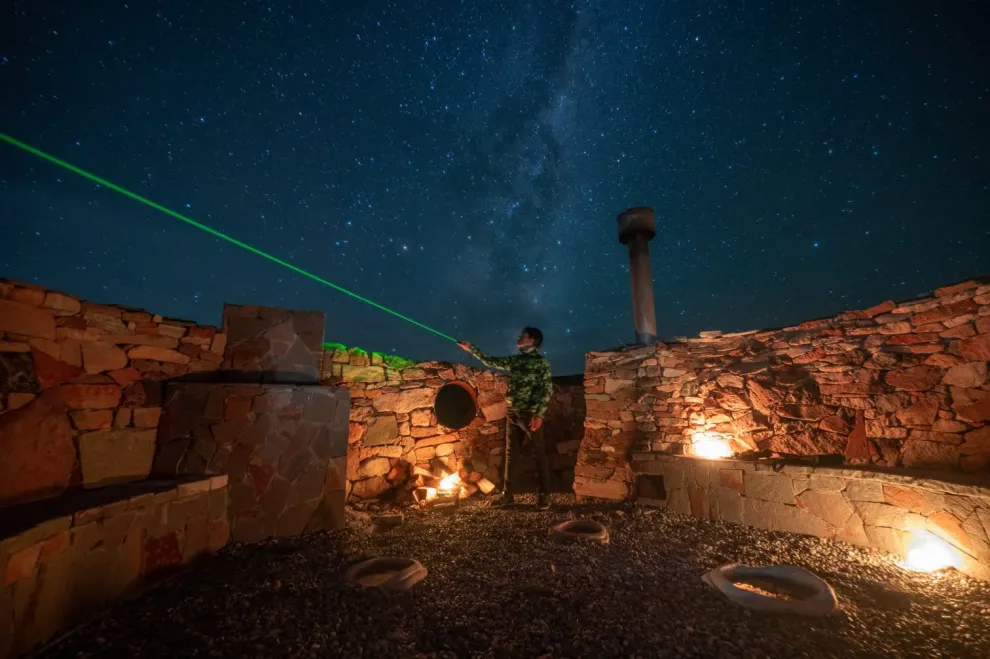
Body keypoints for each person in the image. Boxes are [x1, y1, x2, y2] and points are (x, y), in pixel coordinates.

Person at [457, 327, 554, 509]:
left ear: (533, 341)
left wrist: (539, 414)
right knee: (511, 454)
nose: (518, 337)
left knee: (539, 454)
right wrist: (471, 348)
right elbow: (491, 361)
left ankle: (545, 495)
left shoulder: (542, 363)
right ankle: (508, 495)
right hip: (513, 412)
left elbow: (546, 390)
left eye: (523, 336)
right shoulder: (516, 361)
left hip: (529, 415)